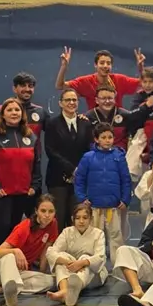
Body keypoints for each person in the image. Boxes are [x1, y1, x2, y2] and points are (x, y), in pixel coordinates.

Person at [0, 98, 42, 257]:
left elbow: (36, 162)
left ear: (22, 114)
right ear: (2, 114)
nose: (14, 113)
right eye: (9, 110)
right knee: (1, 225)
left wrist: (35, 185)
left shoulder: (30, 136)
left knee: (15, 228)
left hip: (23, 192)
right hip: (1, 192)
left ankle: (11, 260)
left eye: (17, 110)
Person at [0, 195, 57, 306]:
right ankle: (10, 292)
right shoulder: (24, 227)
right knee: (9, 256)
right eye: (43, 211)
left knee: (51, 281)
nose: (47, 215)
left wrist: (41, 272)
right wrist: (15, 251)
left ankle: (3, 288)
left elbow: (45, 250)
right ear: (36, 211)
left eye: (51, 211)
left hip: (19, 273)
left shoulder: (53, 224)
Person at [75, 123, 132, 264]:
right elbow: (79, 180)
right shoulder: (88, 157)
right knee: (94, 238)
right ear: (96, 139)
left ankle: (120, 266)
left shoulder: (119, 157)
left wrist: (125, 199)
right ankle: (95, 267)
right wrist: (82, 198)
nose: (107, 140)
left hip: (113, 207)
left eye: (110, 137)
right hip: (94, 207)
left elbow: (126, 180)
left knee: (116, 238)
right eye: (103, 137)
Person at [44, 88, 94, 233]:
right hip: (57, 178)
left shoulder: (86, 123)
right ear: (60, 103)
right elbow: (50, 150)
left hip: (80, 179)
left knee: (78, 216)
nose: (71, 103)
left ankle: (75, 252)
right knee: (58, 217)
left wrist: (81, 170)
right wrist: (72, 169)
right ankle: (57, 252)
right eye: (67, 100)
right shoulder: (52, 123)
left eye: (74, 100)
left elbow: (89, 149)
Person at [45, 204, 107, 306]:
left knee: (85, 257)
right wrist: (68, 262)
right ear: (72, 219)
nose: (81, 221)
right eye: (78, 218)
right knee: (61, 256)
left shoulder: (98, 233)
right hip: (70, 270)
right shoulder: (67, 232)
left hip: (92, 276)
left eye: (85, 218)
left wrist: (82, 263)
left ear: (91, 219)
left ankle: (73, 287)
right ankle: (66, 291)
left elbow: (100, 257)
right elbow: (50, 252)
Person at [55, 47, 144, 109]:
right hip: (95, 126)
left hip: (117, 125)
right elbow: (60, 86)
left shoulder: (120, 80)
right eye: (102, 63)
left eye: (108, 63)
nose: (105, 66)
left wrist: (141, 69)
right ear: (95, 65)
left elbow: (143, 84)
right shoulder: (86, 81)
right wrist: (64, 66)